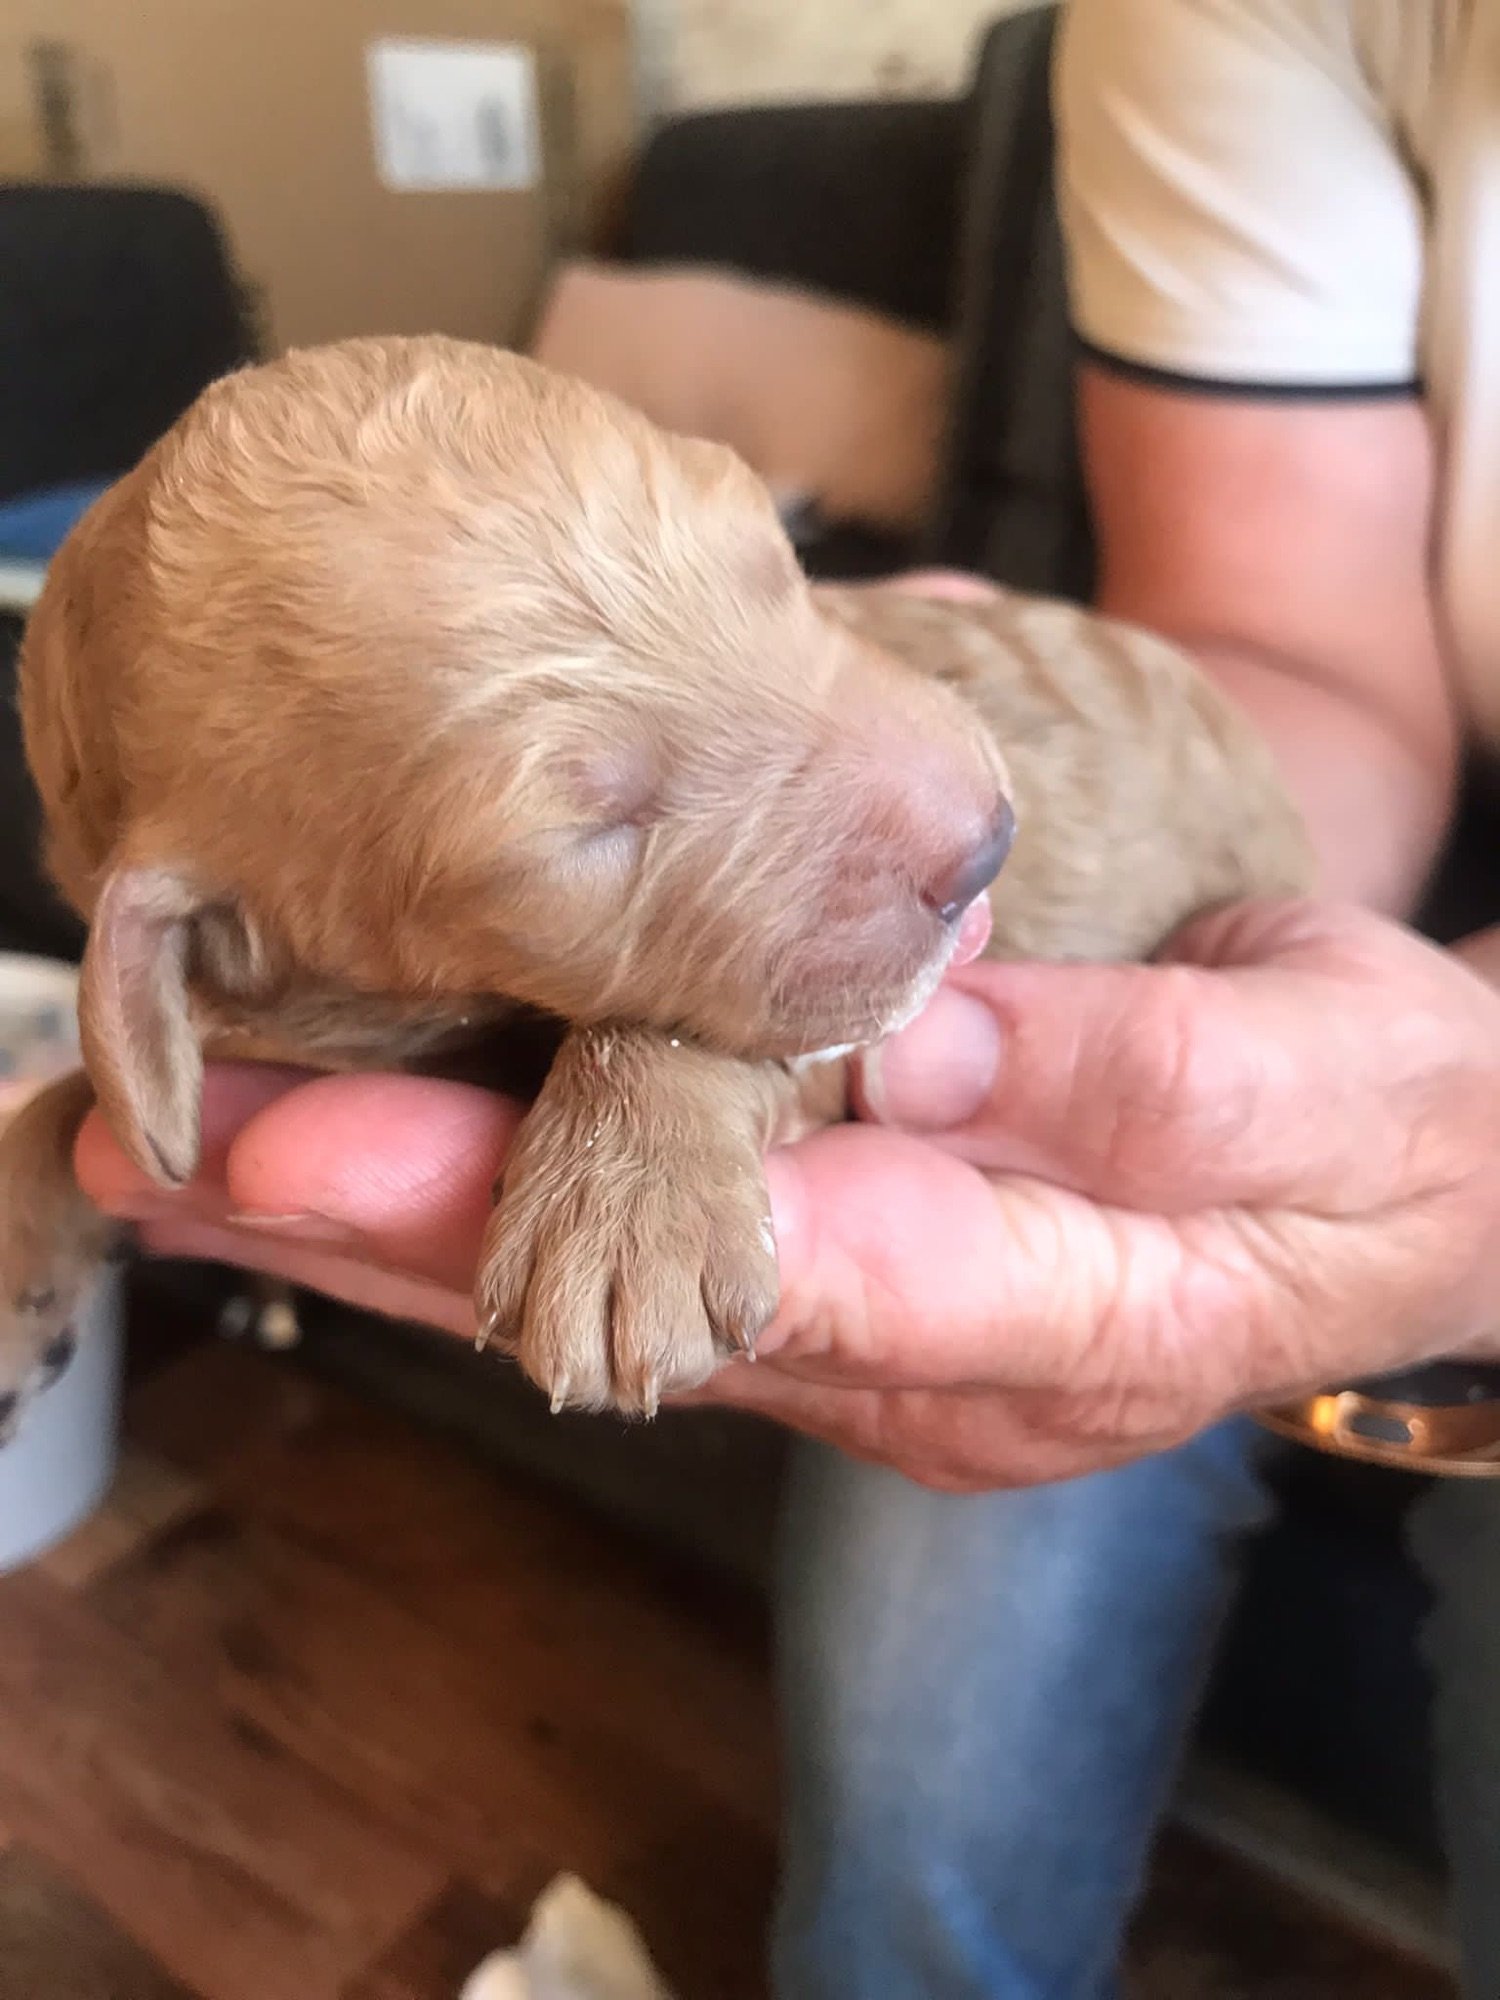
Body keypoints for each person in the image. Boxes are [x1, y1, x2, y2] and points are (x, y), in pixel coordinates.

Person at [71, 0, 1500, 1991]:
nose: (950, 795)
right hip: (1290, 894)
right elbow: (1295, 644)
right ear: (171, 961)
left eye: (763, 549)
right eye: (582, 816)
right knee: (906, 1825)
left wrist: (682, 1053)